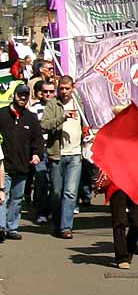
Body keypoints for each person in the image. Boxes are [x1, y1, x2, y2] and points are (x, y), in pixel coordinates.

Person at [41, 75, 89, 239]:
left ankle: (65, 227)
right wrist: (62, 117)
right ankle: (57, 222)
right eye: (61, 88)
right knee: (56, 192)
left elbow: (87, 123)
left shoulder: (79, 104)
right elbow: (44, 125)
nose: (64, 91)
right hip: (57, 154)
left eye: (67, 88)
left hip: (75, 154)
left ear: (72, 88)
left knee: (70, 192)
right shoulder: (53, 104)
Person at [0, 83, 43, 240]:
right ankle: (1, 227)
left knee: (17, 199)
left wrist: (37, 154)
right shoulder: (2, 115)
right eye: (20, 95)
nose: (23, 98)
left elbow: (37, 140)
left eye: (26, 95)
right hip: (4, 165)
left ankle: (12, 227)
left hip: (23, 165)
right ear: (14, 96)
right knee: (2, 196)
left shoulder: (31, 118)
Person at [29, 80, 52, 225]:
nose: (48, 94)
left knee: (55, 184)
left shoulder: (59, 107)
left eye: (51, 91)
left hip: (57, 150)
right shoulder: (34, 109)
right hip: (40, 149)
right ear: (40, 93)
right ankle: (42, 212)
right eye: (45, 92)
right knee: (42, 181)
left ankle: (52, 210)